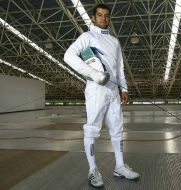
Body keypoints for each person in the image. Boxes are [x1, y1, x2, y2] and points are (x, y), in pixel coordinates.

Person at [64, 3, 139, 188]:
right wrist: (94, 74)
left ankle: (120, 166)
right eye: (100, 15)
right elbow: (68, 56)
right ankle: (92, 170)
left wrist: (124, 88)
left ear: (109, 18)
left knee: (117, 129)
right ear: (93, 18)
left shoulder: (114, 41)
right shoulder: (87, 37)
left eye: (106, 15)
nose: (103, 18)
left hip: (114, 92)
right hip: (96, 90)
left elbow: (119, 67)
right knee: (92, 129)